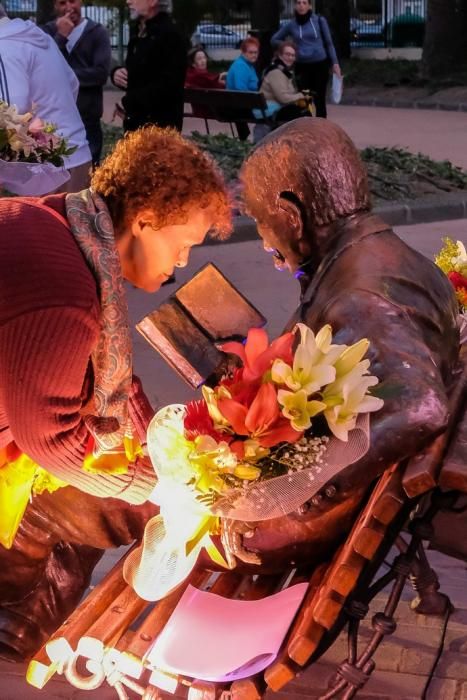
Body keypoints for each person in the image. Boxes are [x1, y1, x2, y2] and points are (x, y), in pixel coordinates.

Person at [0, 125, 231, 661]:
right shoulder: (66, 288)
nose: (182, 263)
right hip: (25, 436)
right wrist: (159, 489)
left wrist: (160, 453)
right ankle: (14, 594)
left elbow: (115, 385)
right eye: (182, 245)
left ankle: (21, 610)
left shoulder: (72, 228)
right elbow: (52, 441)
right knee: (121, 501)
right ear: (145, 220)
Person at [225, 117, 460, 573]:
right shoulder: (378, 254)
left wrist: (312, 490)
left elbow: (423, 407)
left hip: (326, 516)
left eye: (260, 221)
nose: (263, 239)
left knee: (134, 508)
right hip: (335, 474)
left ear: (292, 213)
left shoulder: (358, 294)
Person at [0, 5, 91, 191]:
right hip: (78, 155)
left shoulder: (4, 46)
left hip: (45, 172)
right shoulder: (39, 37)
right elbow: (72, 83)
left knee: (47, 221)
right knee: (79, 219)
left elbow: (11, 112)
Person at [42, 0, 111, 167]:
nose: (69, 8)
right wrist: (60, 38)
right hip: (54, 119)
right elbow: (44, 69)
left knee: (88, 174)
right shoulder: (47, 32)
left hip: (87, 117)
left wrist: (63, 76)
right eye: (62, 3)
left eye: (72, 1)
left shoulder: (97, 32)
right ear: (55, 6)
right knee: (56, 175)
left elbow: (100, 74)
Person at [111, 0, 187, 133]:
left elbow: (169, 84)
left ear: (152, 1)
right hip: (135, 127)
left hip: (160, 131)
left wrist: (129, 101)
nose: (128, 2)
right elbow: (137, 73)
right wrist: (116, 74)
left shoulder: (170, 34)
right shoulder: (138, 31)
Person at [271, 0, 341, 118]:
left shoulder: (319, 20)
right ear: (295, 5)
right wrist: (290, 47)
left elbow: (329, 43)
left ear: (309, 5)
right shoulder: (291, 24)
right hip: (302, 67)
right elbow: (274, 40)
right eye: (298, 3)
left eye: (304, 3)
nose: (301, 6)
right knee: (304, 101)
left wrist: (335, 63)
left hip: (320, 65)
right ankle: (307, 130)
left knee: (319, 100)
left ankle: (320, 128)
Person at [256, 40, 310, 124]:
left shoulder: (284, 71)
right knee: (302, 114)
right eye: (287, 54)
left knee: (303, 111)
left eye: (293, 55)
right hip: (269, 111)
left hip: (276, 108)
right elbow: (283, 98)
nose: (291, 58)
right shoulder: (276, 72)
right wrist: (301, 95)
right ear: (280, 55)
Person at [226, 36, 260, 141]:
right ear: (243, 52)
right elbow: (241, 91)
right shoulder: (241, 66)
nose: (254, 55)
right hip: (240, 107)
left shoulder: (247, 65)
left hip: (239, 105)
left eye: (256, 52)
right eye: (251, 52)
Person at [185, 47, 225, 120]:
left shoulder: (189, 74)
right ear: (193, 63)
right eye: (199, 59)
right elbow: (218, 84)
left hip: (202, 109)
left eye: (204, 58)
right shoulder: (199, 75)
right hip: (211, 110)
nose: (203, 61)